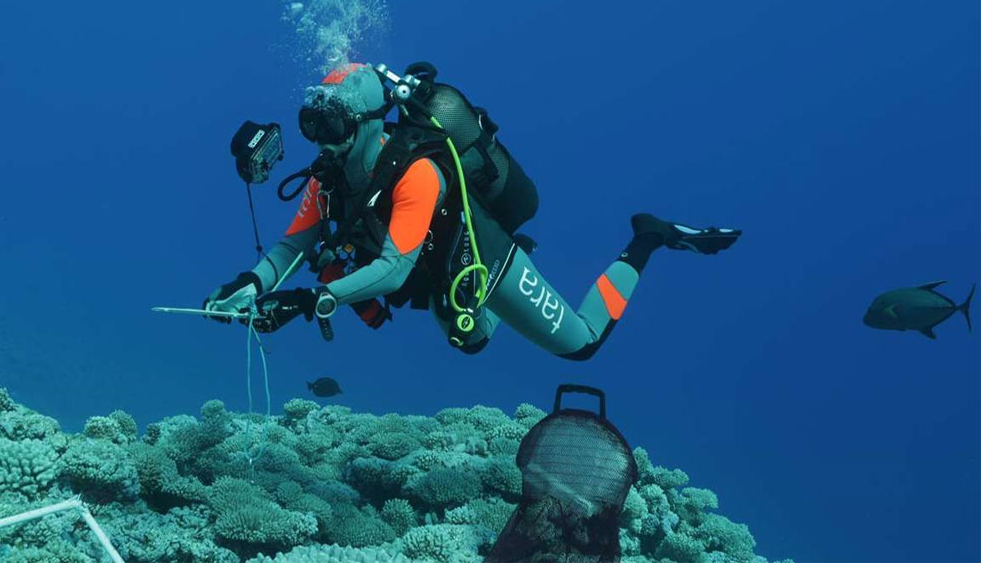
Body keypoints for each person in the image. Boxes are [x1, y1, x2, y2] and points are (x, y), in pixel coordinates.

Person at [205, 62, 740, 360]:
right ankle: (479, 299)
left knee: (581, 345)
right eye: (313, 124)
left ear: (369, 120)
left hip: (482, 256)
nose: (321, 141)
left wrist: (308, 300)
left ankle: (648, 237)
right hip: (439, 274)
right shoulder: (328, 177)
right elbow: (291, 246)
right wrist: (251, 284)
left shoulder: (417, 170)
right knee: (473, 340)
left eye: (333, 126)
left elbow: (393, 269)